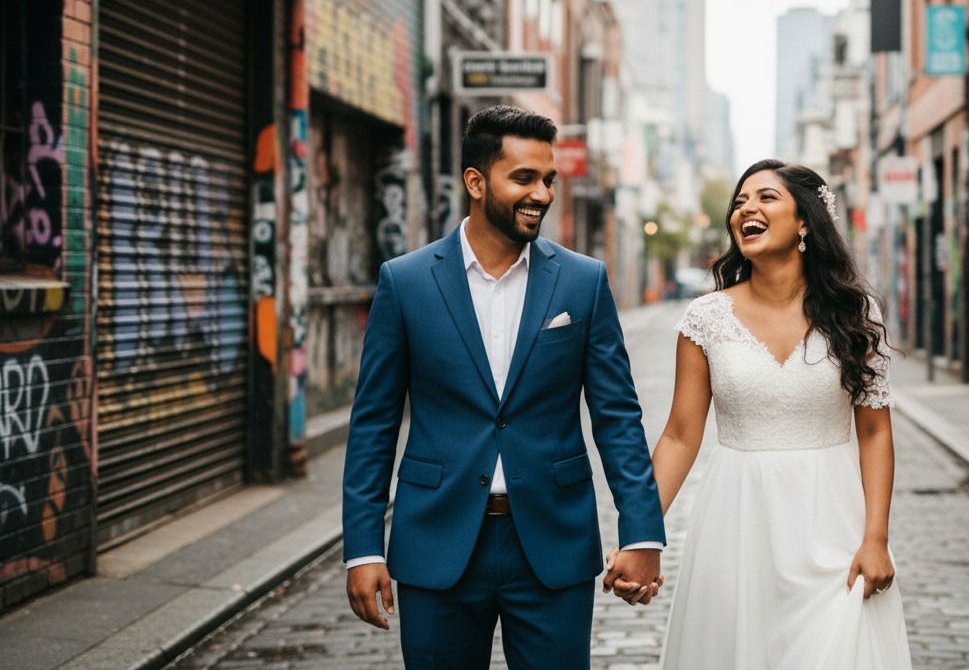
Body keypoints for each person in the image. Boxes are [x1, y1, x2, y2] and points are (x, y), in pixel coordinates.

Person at [342, 105, 666, 669]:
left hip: (552, 544)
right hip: (436, 543)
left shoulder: (582, 281)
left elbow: (617, 417)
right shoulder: (406, 281)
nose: (541, 193)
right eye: (523, 178)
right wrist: (364, 547)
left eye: (548, 179)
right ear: (475, 181)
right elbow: (373, 422)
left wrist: (642, 534)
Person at [641, 159, 913, 668]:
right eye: (740, 201)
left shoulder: (856, 316)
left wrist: (876, 537)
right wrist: (641, 531)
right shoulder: (706, 319)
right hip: (736, 524)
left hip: (833, 522)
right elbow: (680, 436)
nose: (747, 207)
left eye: (766, 197)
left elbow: (875, 431)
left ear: (805, 221)